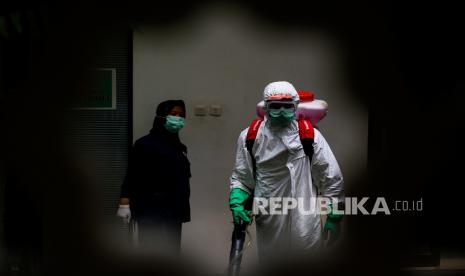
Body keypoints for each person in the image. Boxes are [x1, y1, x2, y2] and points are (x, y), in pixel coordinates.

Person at [229, 81, 344, 263]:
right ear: (266, 106)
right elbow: (242, 177)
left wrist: (334, 214)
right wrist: (237, 202)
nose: (282, 110)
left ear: (296, 106)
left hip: (304, 212)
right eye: (275, 106)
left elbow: (331, 176)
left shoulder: (310, 136)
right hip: (269, 213)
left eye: (287, 106)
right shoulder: (251, 137)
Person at [117, 100, 191, 256]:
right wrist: (124, 202)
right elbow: (133, 174)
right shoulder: (144, 144)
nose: (178, 118)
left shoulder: (179, 148)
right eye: (173, 114)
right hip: (151, 210)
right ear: (161, 116)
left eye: (181, 115)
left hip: (174, 211)